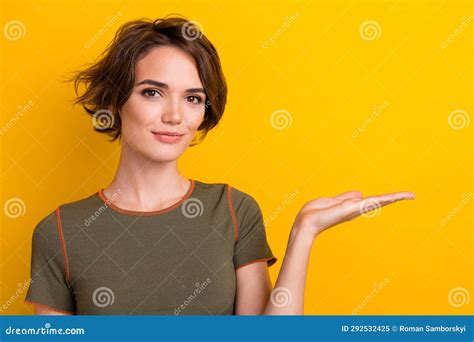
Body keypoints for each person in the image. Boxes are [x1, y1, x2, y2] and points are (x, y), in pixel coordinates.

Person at [24, 15, 415, 315]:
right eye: (152, 92)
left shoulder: (233, 210)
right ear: (115, 102)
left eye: (193, 98)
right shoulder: (60, 231)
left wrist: (304, 233)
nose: (176, 115)